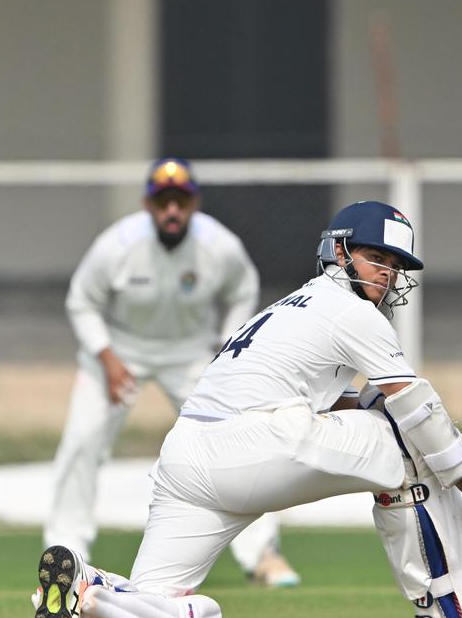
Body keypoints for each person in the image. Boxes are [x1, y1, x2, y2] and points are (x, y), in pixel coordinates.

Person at [32, 200, 462, 618]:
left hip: (185, 457)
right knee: (412, 451)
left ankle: (88, 590)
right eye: (377, 258)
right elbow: (417, 409)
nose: (387, 275)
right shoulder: (350, 310)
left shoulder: (290, 307)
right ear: (340, 252)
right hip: (256, 443)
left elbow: (352, 401)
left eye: (396, 266)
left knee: (179, 616)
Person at [44, 158, 299, 589]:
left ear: (194, 203)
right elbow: (81, 301)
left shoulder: (219, 246)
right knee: (82, 443)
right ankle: (66, 551)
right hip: (119, 350)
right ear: (148, 204)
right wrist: (106, 356)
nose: (172, 211)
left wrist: (225, 344)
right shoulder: (118, 245)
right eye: (163, 202)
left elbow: (244, 291)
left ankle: (262, 553)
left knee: (241, 439)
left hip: (191, 353)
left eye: (180, 201)